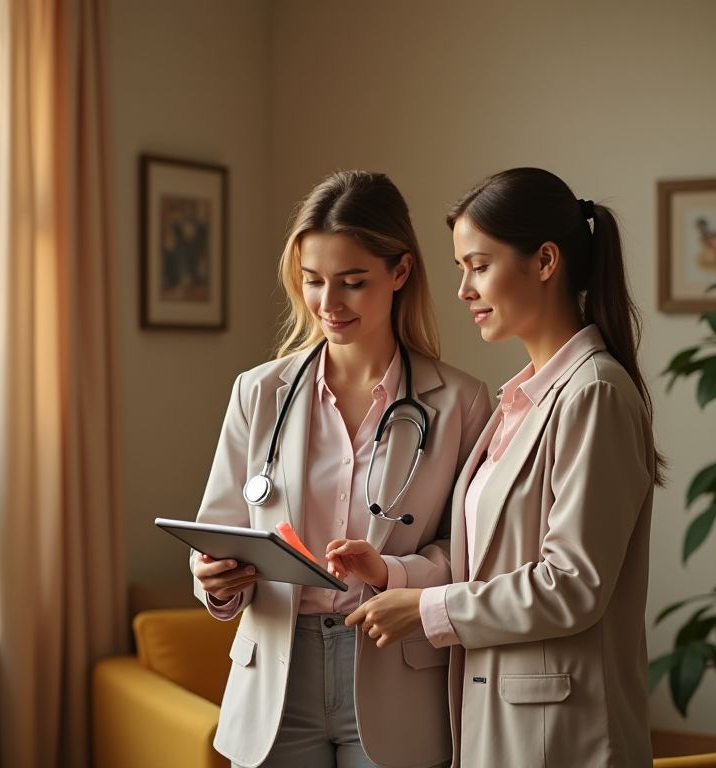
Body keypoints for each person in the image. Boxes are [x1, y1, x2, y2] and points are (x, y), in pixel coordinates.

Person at [345, 167, 664, 767]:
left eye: (478, 266)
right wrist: (395, 574)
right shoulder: (520, 401)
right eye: (461, 269)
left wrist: (427, 610)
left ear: (544, 262)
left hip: (561, 737)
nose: (464, 290)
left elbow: (572, 584)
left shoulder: (594, 393)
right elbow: (495, 563)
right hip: (499, 722)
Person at [191, 170, 492, 768]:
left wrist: (391, 571)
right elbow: (218, 531)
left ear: (400, 272)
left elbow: (469, 557)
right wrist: (214, 581)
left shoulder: (461, 402)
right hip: (276, 677)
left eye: (353, 282)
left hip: (394, 673)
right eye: (313, 281)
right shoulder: (259, 392)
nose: (329, 304)